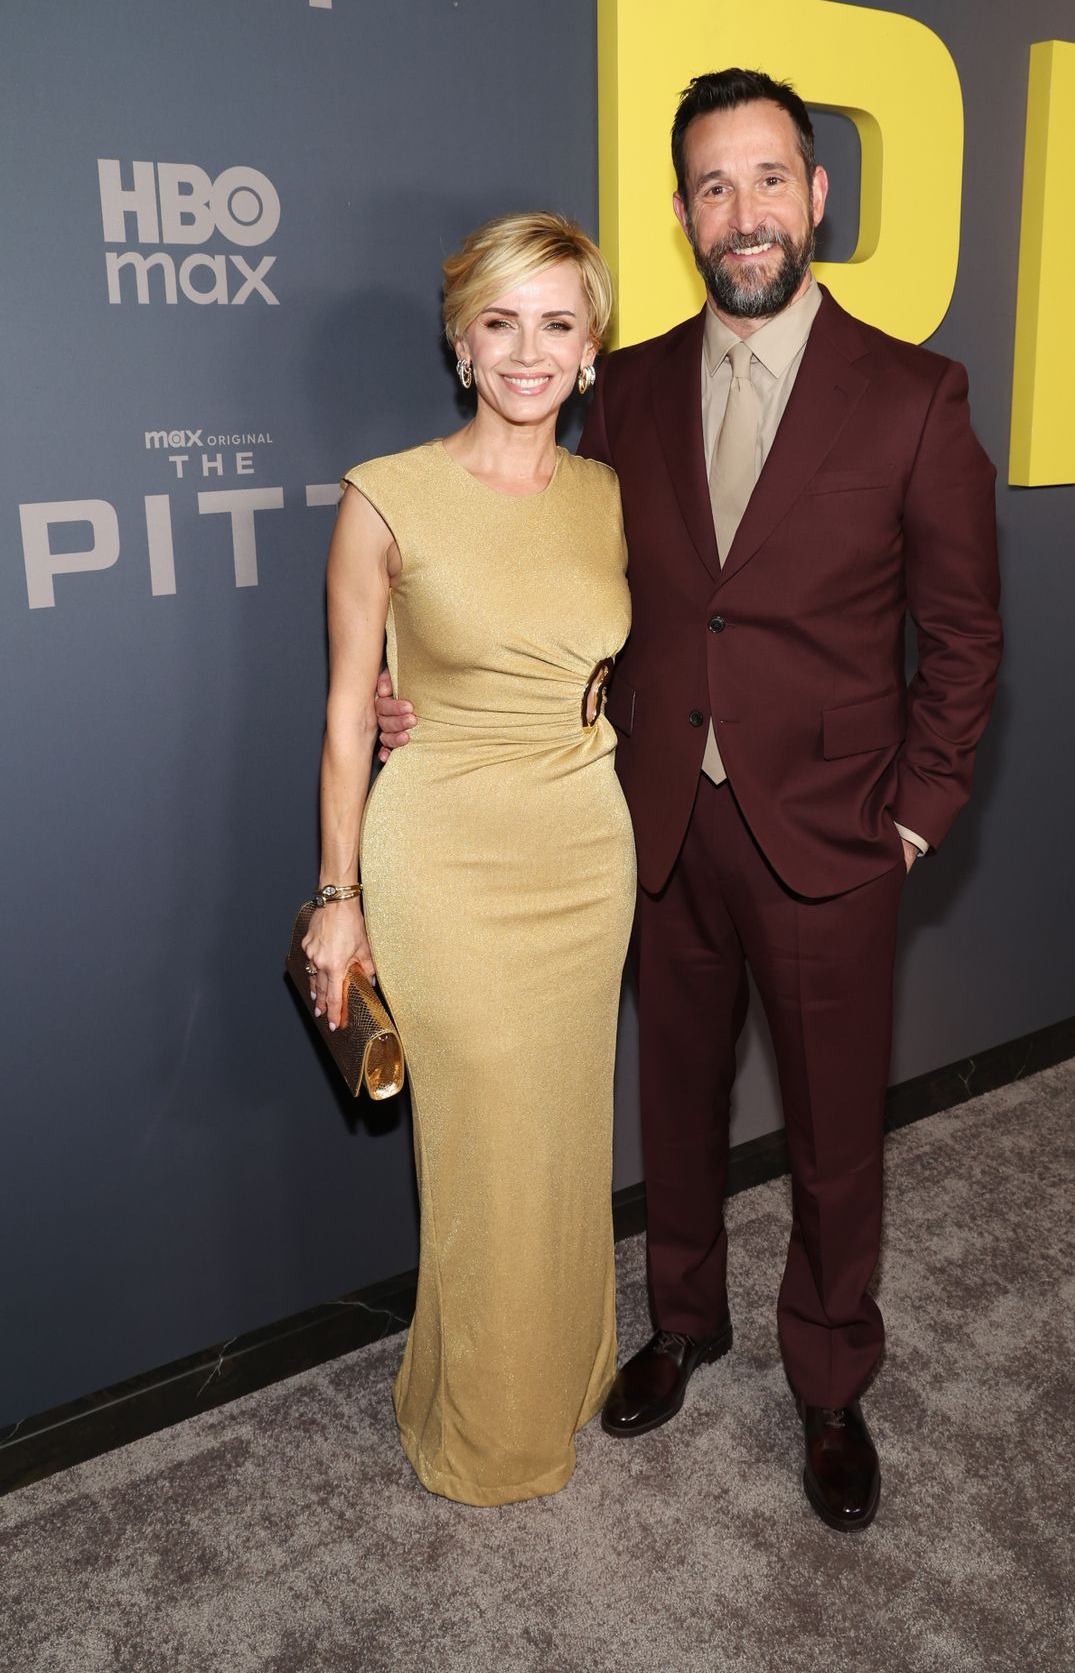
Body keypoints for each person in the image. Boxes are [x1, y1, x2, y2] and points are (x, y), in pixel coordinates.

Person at [378, 70, 1002, 1531]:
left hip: (836, 834)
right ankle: (682, 1320)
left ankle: (830, 1380)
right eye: (715, 187)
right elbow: (548, 580)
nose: (745, 212)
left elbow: (967, 639)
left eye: (770, 179)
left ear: (817, 194)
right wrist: (428, 695)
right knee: (670, 1099)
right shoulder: (632, 387)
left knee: (834, 1132)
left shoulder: (915, 396)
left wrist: (915, 816)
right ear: (682, 214)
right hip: (651, 819)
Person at [304, 212, 635, 1506]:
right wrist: (339, 899)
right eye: (501, 322)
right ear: (460, 342)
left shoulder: (613, 498)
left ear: (592, 348)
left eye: (557, 323)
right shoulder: (385, 495)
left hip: (585, 847)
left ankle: (563, 1371)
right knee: (484, 1146)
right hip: (444, 854)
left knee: (563, 1133)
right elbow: (348, 712)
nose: (528, 351)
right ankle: (487, 1429)